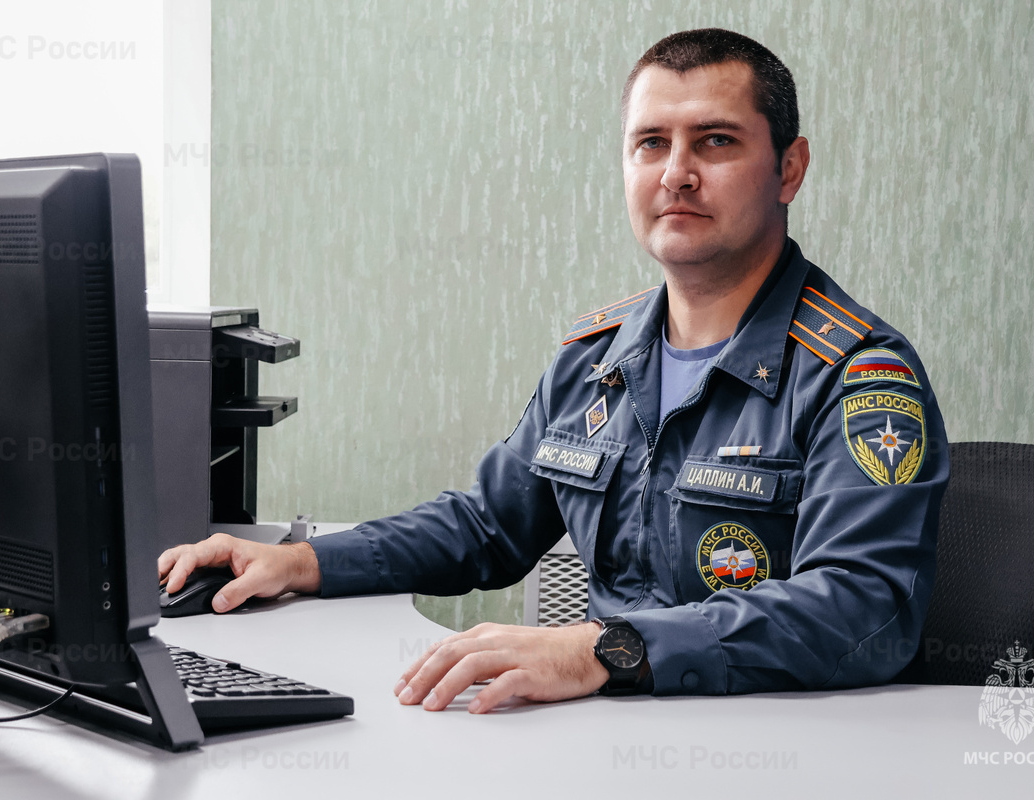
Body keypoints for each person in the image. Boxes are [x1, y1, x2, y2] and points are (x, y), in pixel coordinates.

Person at [158, 28, 949, 714]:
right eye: (651, 143)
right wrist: (301, 561)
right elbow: (487, 526)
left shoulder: (857, 376)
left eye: (715, 141)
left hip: (782, 752)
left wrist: (605, 649)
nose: (676, 173)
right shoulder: (595, 359)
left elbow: (862, 608)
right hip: (605, 736)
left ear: (789, 169)